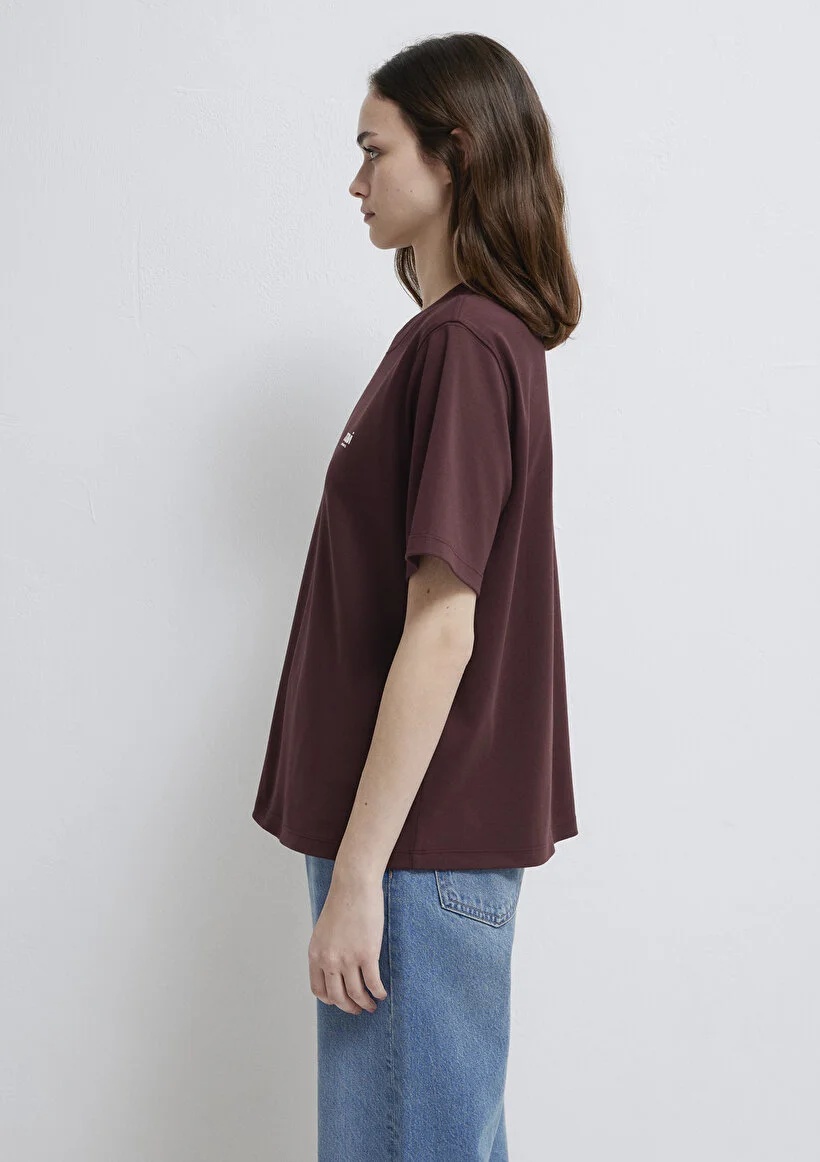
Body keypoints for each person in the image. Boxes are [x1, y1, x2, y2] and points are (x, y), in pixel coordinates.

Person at [252, 31, 582, 1161]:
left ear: (456, 153)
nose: (356, 182)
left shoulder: (463, 345)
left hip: (411, 852)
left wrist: (359, 875)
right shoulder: (466, 341)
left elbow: (444, 627)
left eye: (373, 150)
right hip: (420, 849)